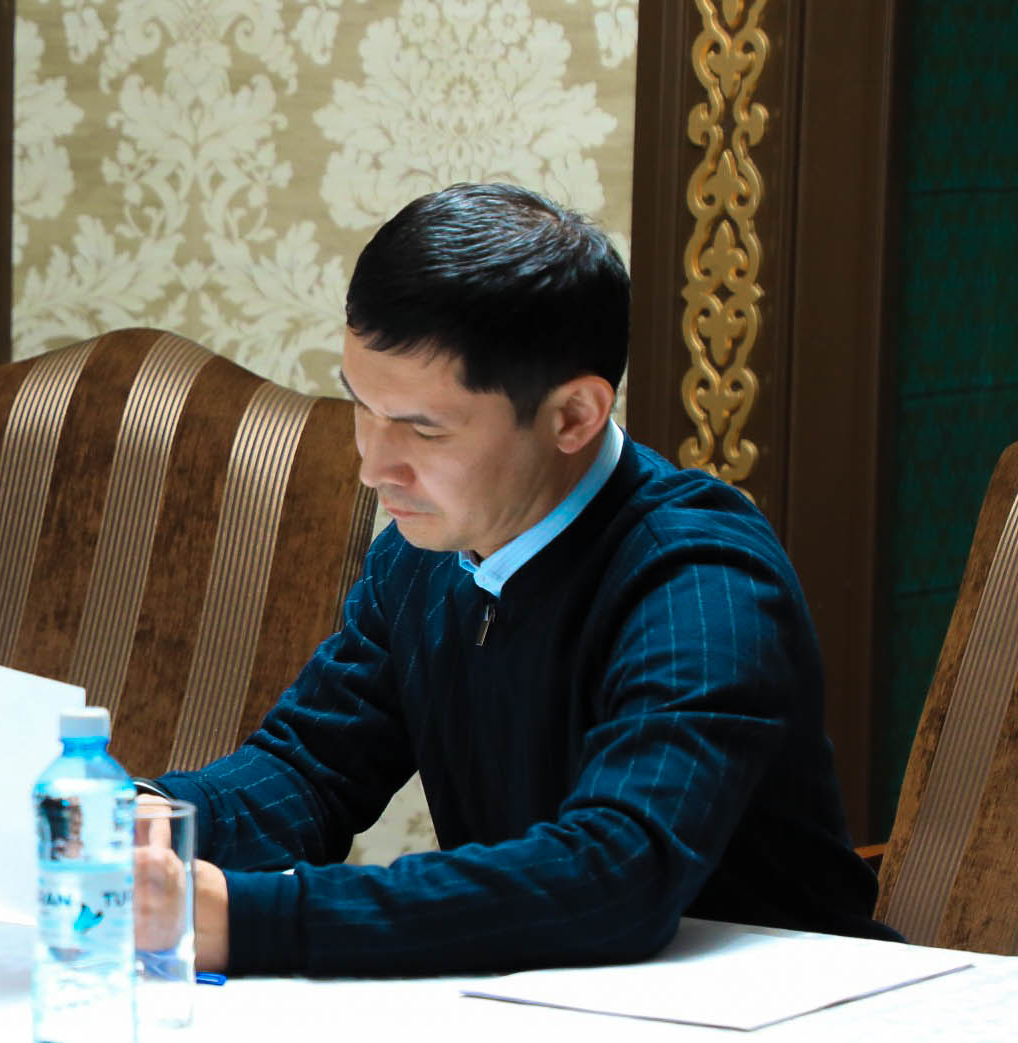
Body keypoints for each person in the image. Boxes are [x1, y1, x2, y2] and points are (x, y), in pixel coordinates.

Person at [152, 181, 890, 977]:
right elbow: (309, 768)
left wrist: (246, 919)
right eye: (363, 406)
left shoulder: (701, 578)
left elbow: (616, 873)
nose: (373, 466)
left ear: (574, 416)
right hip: (562, 1002)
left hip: (785, 1013)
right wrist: (143, 821)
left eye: (424, 429)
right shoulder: (423, 553)